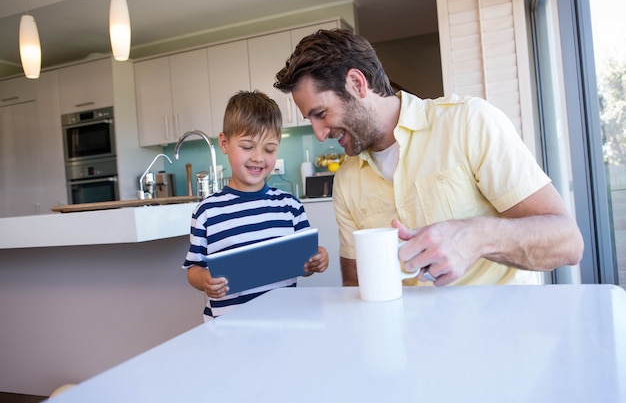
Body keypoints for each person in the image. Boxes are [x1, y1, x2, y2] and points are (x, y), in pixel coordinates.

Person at [274, 29, 584, 287]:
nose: (318, 133)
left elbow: (568, 242)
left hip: (503, 342)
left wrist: (476, 236)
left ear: (357, 84)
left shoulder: (468, 122)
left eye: (321, 113)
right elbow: (356, 286)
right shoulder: (346, 181)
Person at [183, 90, 329, 320]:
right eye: (248, 146)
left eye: (269, 149)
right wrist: (205, 281)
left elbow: (305, 261)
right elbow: (193, 269)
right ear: (224, 143)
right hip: (228, 329)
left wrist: (318, 259)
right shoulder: (207, 212)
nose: (259, 157)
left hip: (284, 323)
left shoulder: (290, 206)